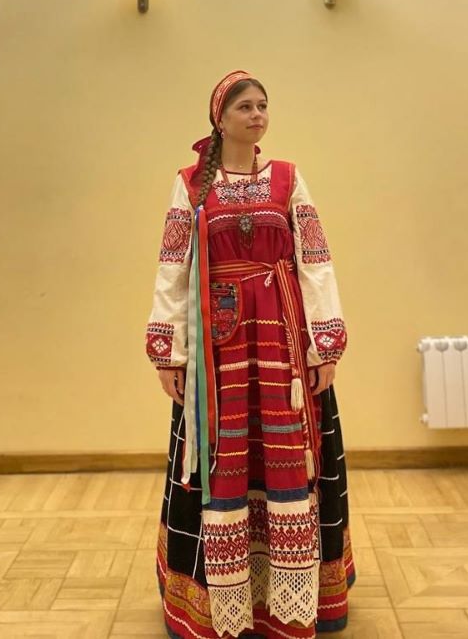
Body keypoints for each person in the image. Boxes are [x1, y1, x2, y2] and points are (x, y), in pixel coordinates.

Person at [146, 70, 353, 639]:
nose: (257, 115)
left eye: (263, 105)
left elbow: (315, 260)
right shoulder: (191, 184)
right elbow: (173, 267)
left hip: (283, 343)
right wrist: (169, 351)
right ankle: (222, 602)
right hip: (218, 352)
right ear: (220, 118)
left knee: (287, 460)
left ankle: (290, 601)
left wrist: (323, 343)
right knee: (220, 463)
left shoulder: (288, 178)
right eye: (245, 107)